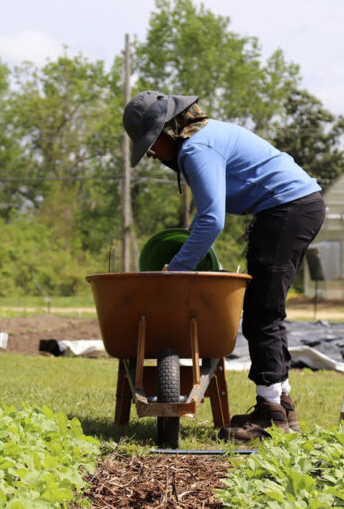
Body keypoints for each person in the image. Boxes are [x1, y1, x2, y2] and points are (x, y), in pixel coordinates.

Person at [122, 90, 325, 441]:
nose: (154, 154)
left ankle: (271, 415)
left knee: (262, 312)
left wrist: (178, 269)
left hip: (287, 208)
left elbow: (212, 219)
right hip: (290, 207)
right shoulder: (206, 136)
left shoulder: (198, 149)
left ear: (168, 131)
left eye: (152, 144)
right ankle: (281, 406)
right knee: (266, 310)